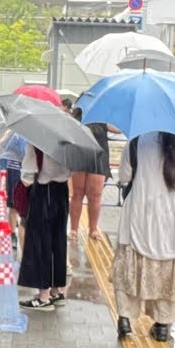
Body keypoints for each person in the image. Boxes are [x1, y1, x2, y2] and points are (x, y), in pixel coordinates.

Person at [112, 131, 175, 342]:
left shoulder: (137, 141)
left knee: (130, 269)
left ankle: (124, 319)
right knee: (167, 270)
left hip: (141, 213)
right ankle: (163, 325)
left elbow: (124, 177)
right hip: (174, 219)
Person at [17, 141, 72, 311]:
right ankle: (56, 291)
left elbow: (27, 177)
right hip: (62, 191)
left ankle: (43, 296)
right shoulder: (70, 141)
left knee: (41, 242)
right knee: (58, 241)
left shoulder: (37, 141)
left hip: (43, 191)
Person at [69, 102, 109, 243]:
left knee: (95, 196)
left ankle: (93, 228)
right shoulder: (76, 118)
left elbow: (116, 128)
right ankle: (74, 229)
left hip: (99, 158)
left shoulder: (103, 117)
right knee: (77, 194)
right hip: (80, 156)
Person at [0, 129, 30, 222]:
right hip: (20, 170)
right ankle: (14, 229)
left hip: (10, 169)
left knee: (13, 204)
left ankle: (13, 229)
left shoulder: (12, 132)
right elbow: (24, 154)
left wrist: (7, 135)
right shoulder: (22, 133)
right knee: (16, 204)